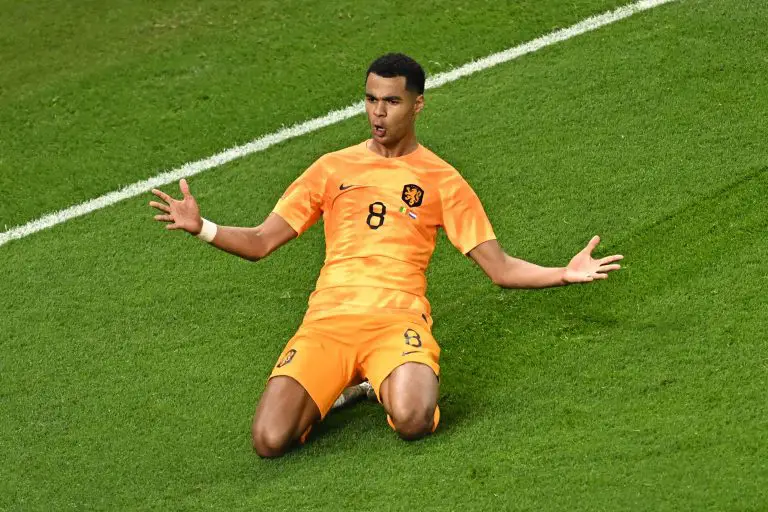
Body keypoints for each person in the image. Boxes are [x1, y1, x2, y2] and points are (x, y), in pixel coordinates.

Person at [149, 53, 623, 458]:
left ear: (417, 105)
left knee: (415, 420)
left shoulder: (443, 180)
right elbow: (260, 242)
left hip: (398, 323)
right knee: (269, 441)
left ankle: (381, 383)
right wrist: (203, 228)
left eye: (392, 101)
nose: (378, 113)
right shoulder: (331, 168)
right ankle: (349, 386)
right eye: (371, 99)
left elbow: (499, 268)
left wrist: (563, 272)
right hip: (327, 323)